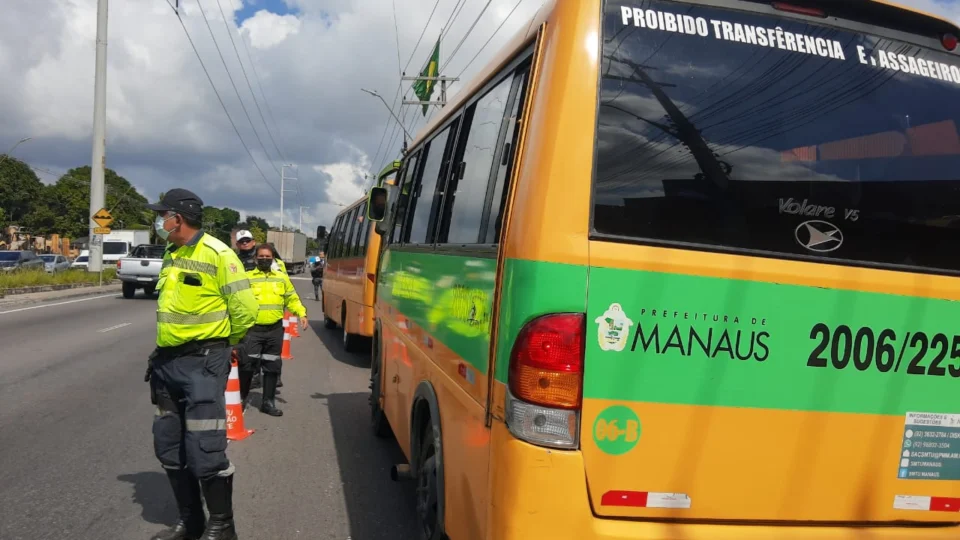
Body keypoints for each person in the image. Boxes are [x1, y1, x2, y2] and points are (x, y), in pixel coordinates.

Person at [145, 189, 258, 540]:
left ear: (177, 219)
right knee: (169, 446)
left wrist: (223, 345)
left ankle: (222, 525)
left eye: (162, 215)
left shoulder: (218, 254)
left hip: (203, 362)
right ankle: (191, 520)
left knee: (205, 447)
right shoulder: (172, 251)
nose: (158, 221)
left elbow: (246, 310)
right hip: (167, 363)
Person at [238, 243, 308, 416]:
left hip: (274, 330)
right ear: (255, 258)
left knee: (271, 366)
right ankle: (240, 399)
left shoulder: (281, 278)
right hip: (252, 330)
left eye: (267, 257)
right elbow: (237, 300)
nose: (264, 259)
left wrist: (301, 313)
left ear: (273, 259)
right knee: (247, 365)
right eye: (261, 257)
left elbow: (291, 298)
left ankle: (268, 403)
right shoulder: (246, 278)